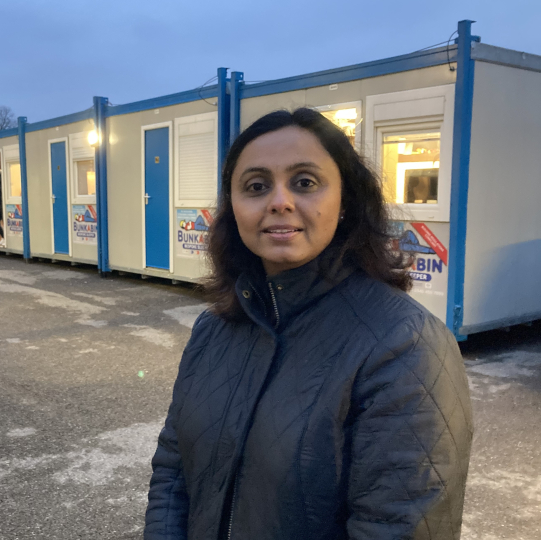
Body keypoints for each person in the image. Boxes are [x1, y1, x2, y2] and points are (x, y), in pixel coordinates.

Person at [144, 108, 473, 540]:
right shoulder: (215, 329)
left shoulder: (405, 345)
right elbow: (174, 470)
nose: (279, 201)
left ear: (345, 202)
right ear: (234, 208)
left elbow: (398, 525)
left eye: (305, 182)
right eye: (256, 186)